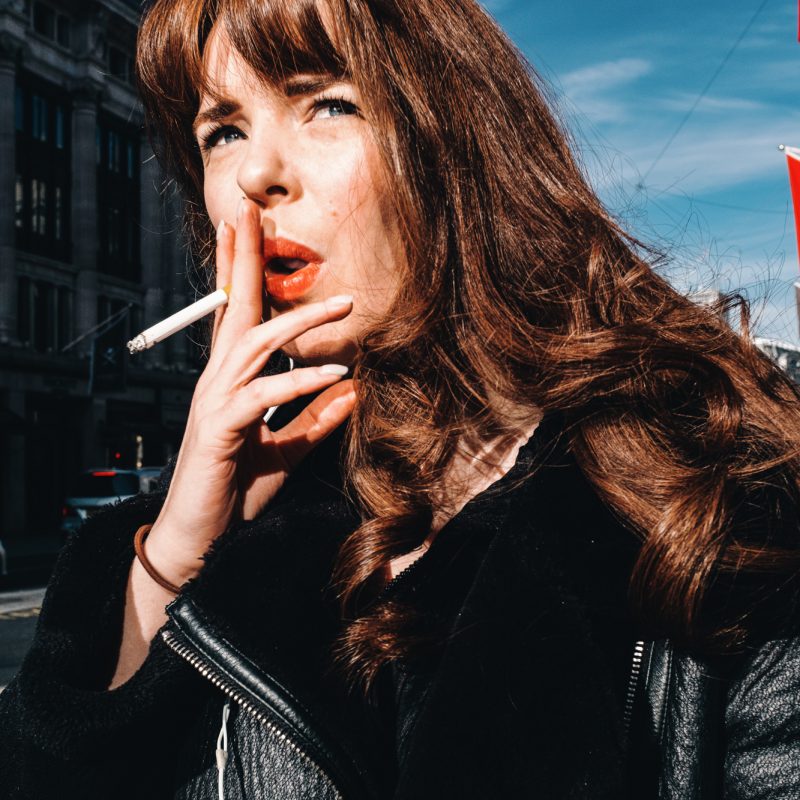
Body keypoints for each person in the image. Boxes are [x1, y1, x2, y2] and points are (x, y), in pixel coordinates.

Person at [2, 0, 800, 797]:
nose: (253, 174)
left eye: (328, 104)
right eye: (224, 131)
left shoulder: (715, 503)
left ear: (461, 145)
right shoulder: (245, 521)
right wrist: (174, 551)